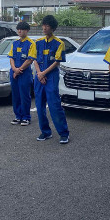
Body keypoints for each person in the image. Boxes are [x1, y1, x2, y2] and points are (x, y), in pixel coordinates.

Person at [34, 15, 70, 144]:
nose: (44, 28)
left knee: (54, 106)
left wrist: (44, 73)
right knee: (39, 106)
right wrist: (39, 74)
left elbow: (57, 62)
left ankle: (64, 133)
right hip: (39, 77)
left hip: (51, 77)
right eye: (43, 25)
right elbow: (34, 59)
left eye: (47, 26)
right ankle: (45, 132)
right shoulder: (37, 42)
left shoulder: (59, 43)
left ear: (53, 28)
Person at [8, 21, 37, 126]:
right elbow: (11, 57)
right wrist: (14, 69)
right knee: (15, 95)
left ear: (27, 31)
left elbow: (30, 59)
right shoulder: (15, 43)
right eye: (18, 29)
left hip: (24, 72)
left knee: (24, 95)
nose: (19, 31)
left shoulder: (31, 43)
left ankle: (26, 117)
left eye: (22, 29)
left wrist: (19, 69)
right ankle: (17, 116)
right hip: (14, 71)